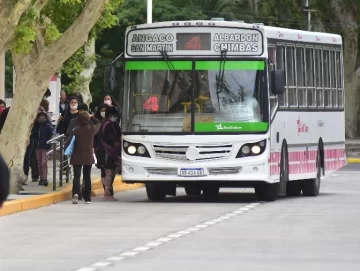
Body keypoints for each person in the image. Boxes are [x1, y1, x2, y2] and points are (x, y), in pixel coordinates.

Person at [66, 111, 101, 204]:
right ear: (88, 119)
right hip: (88, 156)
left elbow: (68, 142)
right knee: (87, 176)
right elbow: (98, 123)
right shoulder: (92, 130)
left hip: (77, 155)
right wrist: (92, 117)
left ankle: (76, 194)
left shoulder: (75, 130)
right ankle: (87, 197)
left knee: (77, 176)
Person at [101, 106, 121, 201]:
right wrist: (114, 142)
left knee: (115, 169)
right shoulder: (107, 124)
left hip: (113, 152)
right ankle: (107, 193)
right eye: (113, 115)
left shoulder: (113, 123)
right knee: (109, 172)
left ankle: (106, 185)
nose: (114, 117)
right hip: (109, 152)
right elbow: (107, 137)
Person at [31, 111, 54, 186]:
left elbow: (52, 134)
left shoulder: (48, 126)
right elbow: (33, 135)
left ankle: (45, 178)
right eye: (40, 118)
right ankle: (41, 178)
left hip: (45, 147)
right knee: (39, 163)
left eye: (43, 118)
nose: (41, 119)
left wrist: (49, 142)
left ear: (46, 118)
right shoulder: (35, 127)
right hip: (37, 147)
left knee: (44, 163)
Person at [93, 103, 110, 194]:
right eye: (102, 110)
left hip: (110, 149)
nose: (103, 112)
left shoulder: (111, 121)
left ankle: (108, 186)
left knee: (110, 169)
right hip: (99, 148)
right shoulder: (96, 122)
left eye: (105, 111)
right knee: (103, 169)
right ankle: (106, 189)